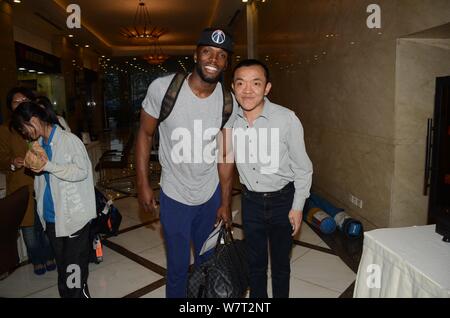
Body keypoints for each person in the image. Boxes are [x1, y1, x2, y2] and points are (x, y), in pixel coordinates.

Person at [136, 27, 237, 298]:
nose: (213, 60)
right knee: (178, 268)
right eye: (207, 52)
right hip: (174, 194)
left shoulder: (229, 102)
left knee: (207, 264)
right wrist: (143, 184)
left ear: (226, 62)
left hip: (210, 196)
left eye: (221, 55)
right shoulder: (164, 88)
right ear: (196, 54)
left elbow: (226, 156)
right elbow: (145, 135)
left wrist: (226, 203)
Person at [231, 59, 313, 298]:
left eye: (255, 83)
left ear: (267, 88)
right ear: (233, 88)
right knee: (255, 265)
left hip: (283, 201)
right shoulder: (230, 121)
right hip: (250, 202)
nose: (247, 90)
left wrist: (298, 208)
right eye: (241, 83)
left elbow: (303, 168)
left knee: (280, 266)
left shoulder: (286, 119)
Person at [10, 101, 96, 298]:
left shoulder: (69, 140)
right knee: (64, 272)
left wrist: (48, 166)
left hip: (73, 219)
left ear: (33, 121)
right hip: (51, 218)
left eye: (24, 130)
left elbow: (82, 171)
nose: (25, 135)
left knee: (74, 276)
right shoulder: (38, 145)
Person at [0, 87, 56, 276]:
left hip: (43, 182)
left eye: (24, 99)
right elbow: (1, 159)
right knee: (30, 233)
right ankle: (37, 260)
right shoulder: (4, 130)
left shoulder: (39, 124)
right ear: (10, 106)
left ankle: (49, 256)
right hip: (20, 187)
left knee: (47, 225)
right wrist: (12, 163)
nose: (21, 103)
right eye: (16, 101)